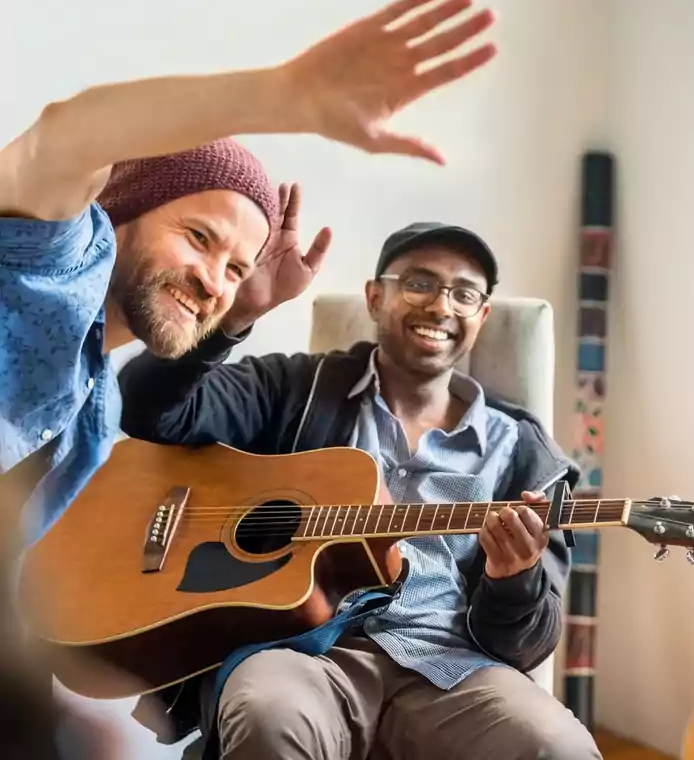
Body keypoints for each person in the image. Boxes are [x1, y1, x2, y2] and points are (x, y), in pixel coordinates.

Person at [0, 0, 497, 549]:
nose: (214, 280)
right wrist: (284, 96)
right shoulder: (51, 266)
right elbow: (61, 138)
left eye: (235, 269)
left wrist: (247, 304)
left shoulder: (96, 417)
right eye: (198, 236)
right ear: (123, 211)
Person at [115, 221, 600, 760]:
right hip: (301, 652)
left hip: (450, 668)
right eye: (419, 283)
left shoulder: (528, 456)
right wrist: (237, 315)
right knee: (268, 715)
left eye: (464, 293)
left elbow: (529, 643)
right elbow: (149, 410)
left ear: (481, 316)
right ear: (375, 297)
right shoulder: (295, 388)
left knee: (560, 747)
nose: (441, 306)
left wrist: (514, 580)